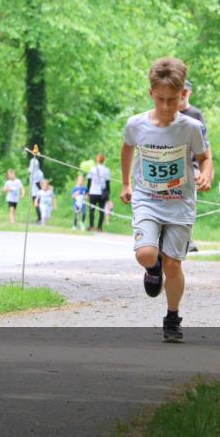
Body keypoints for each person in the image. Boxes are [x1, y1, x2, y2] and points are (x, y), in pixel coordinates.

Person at [120, 57, 212, 343]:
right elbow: (127, 149)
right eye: (160, 99)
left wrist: (206, 175)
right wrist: (125, 183)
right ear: (151, 94)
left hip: (180, 202)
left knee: (174, 265)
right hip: (147, 198)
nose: (166, 106)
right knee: (146, 254)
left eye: (173, 99)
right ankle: (152, 268)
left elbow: (205, 158)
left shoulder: (191, 127)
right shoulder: (136, 124)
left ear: (183, 94)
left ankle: (172, 316)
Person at [179, 80, 211, 252]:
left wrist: (206, 172)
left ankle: (187, 238)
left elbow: (205, 144)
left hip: (191, 166)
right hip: (170, 164)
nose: (182, 94)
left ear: (189, 93)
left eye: (185, 91)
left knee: (189, 201)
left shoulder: (195, 114)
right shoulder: (168, 112)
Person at [87, 154, 110, 232]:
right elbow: (107, 183)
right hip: (102, 194)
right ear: (103, 160)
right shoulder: (107, 170)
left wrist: (87, 192)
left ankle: (91, 226)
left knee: (91, 209)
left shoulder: (92, 169)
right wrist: (108, 194)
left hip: (93, 192)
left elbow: (89, 181)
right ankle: (99, 227)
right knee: (101, 210)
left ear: (97, 160)